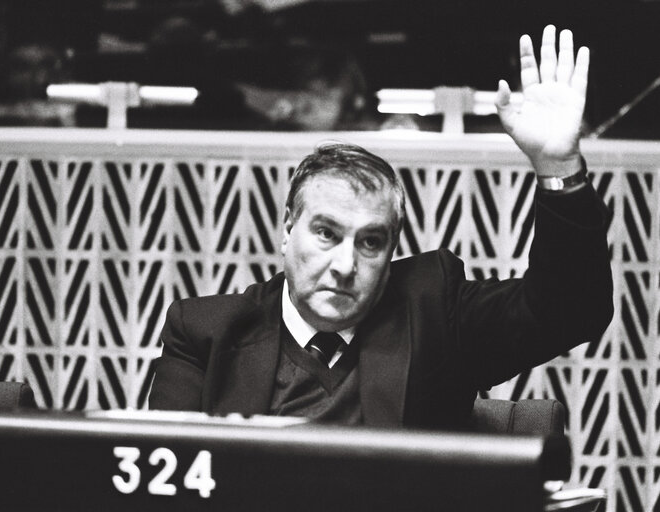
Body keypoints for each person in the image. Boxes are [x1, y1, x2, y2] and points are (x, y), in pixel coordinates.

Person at [150, 25, 613, 428]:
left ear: (392, 250)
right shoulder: (206, 331)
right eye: (326, 233)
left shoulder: (436, 311)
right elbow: (163, 483)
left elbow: (571, 310)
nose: (345, 265)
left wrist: (559, 165)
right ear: (288, 229)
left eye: (371, 242)